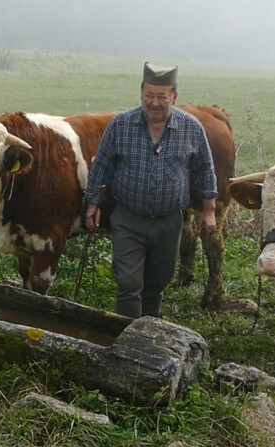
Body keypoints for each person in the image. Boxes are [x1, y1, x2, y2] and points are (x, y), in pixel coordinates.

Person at [84, 62, 218, 319]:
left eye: (161, 97)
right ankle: (127, 338)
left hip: (168, 222)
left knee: (157, 284)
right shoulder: (120, 125)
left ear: (174, 97)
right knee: (128, 283)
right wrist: (93, 202)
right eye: (149, 96)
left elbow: (205, 169)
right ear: (141, 93)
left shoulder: (191, 128)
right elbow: (101, 165)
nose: (154, 103)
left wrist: (209, 209)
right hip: (128, 219)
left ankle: (147, 334)